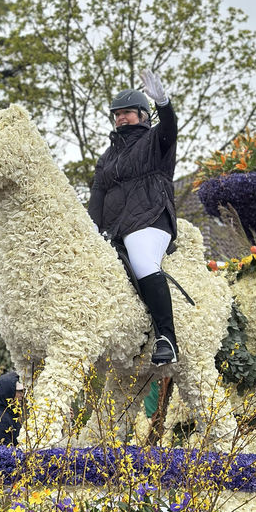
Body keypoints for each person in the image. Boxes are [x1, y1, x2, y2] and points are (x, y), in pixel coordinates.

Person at [88, 70, 179, 365]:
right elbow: (98, 196)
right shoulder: (107, 156)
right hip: (115, 228)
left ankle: (167, 338)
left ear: (142, 115)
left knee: (142, 260)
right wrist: (88, 232)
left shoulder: (155, 140)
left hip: (150, 220)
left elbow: (169, 129)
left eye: (126, 112)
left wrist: (164, 105)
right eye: (116, 114)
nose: (120, 118)